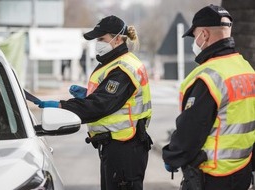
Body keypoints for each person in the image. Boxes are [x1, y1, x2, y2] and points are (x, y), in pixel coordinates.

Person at [34, 15, 152, 190]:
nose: (98, 43)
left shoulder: (123, 68)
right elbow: (109, 98)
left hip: (125, 148)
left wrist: (62, 106)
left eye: (101, 39)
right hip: (119, 147)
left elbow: (100, 105)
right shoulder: (115, 63)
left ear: (117, 39)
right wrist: (89, 94)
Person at [162, 4, 255, 190]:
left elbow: (191, 130)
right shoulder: (246, 69)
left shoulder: (208, 76)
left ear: (204, 35)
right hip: (242, 171)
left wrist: (172, 155)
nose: (194, 42)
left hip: (213, 176)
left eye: (194, 36)